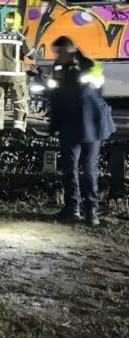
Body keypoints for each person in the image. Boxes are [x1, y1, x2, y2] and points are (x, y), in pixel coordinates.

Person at [48, 36, 115, 226]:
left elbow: (88, 92)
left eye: (60, 52)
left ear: (70, 50)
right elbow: (56, 96)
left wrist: (74, 70)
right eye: (56, 52)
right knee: (69, 169)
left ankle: (91, 212)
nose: (57, 56)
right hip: (71, 124)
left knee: (88, 169)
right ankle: (72, 209)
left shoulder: (90, 66)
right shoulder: (59, 67)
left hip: (91, 125)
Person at [0, 11, 37, 134]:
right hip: (17, 77)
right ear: (18, 24)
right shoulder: (21, 38)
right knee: (19, 101)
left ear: (6, 23)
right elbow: (32, 55)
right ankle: (18, 128)